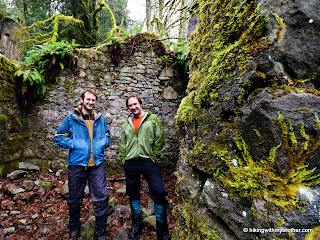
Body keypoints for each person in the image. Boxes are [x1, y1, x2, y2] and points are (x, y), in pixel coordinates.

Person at [54, 89, 110, 240]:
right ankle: (74, 229)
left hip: (96, 164)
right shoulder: (71, 118)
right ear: (82, 100)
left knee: (101, 197)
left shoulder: (100, 118)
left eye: (93, 100)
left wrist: (103, 142)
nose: (91, 102)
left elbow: (107, 134)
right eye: (88, 99)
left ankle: (101, 232)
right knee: (74, 198)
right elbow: (59, 136)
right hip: (76, 164)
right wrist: (74, 143)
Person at [118, 94, 170, 240]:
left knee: (159, 192)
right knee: (132, 193)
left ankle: (162, 230)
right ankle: (136, 224)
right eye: (130, 105)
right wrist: (123, 159)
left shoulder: (152, 119)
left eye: (135, 104)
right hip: (131, 163)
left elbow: (160, 139)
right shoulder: (126, 123)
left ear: (141, 104)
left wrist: (154, 157)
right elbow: (122, 142)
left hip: (148, 162)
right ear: (128, 108)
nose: (133, 107)